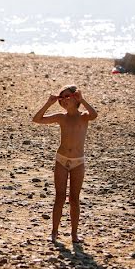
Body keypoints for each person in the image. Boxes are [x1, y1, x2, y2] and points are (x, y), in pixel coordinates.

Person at [31, 85, 98, 244]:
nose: (64, 100)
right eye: (62, 98)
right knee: (59, 197)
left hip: (78, 162)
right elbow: (37, 119)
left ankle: (74, 234)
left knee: (74, 198)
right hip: (61, 159)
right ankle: (54, 232)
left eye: (68, 96)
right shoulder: (61, 117)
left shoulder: (83, 116)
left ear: (76, 98)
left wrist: (83, 100)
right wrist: (49, 103)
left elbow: (94, 115)